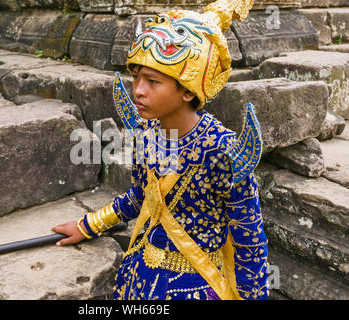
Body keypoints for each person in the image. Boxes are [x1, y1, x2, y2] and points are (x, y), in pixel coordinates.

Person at [52, 0, 269, 300]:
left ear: (188, 90)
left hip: (196, 286)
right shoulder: (147, 134)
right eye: (136, 77)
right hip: (138, 277)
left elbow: (250, 242)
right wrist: (89, 225)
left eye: (153, 81)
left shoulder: (224, 152)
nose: (138, 90)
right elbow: (140, 196)